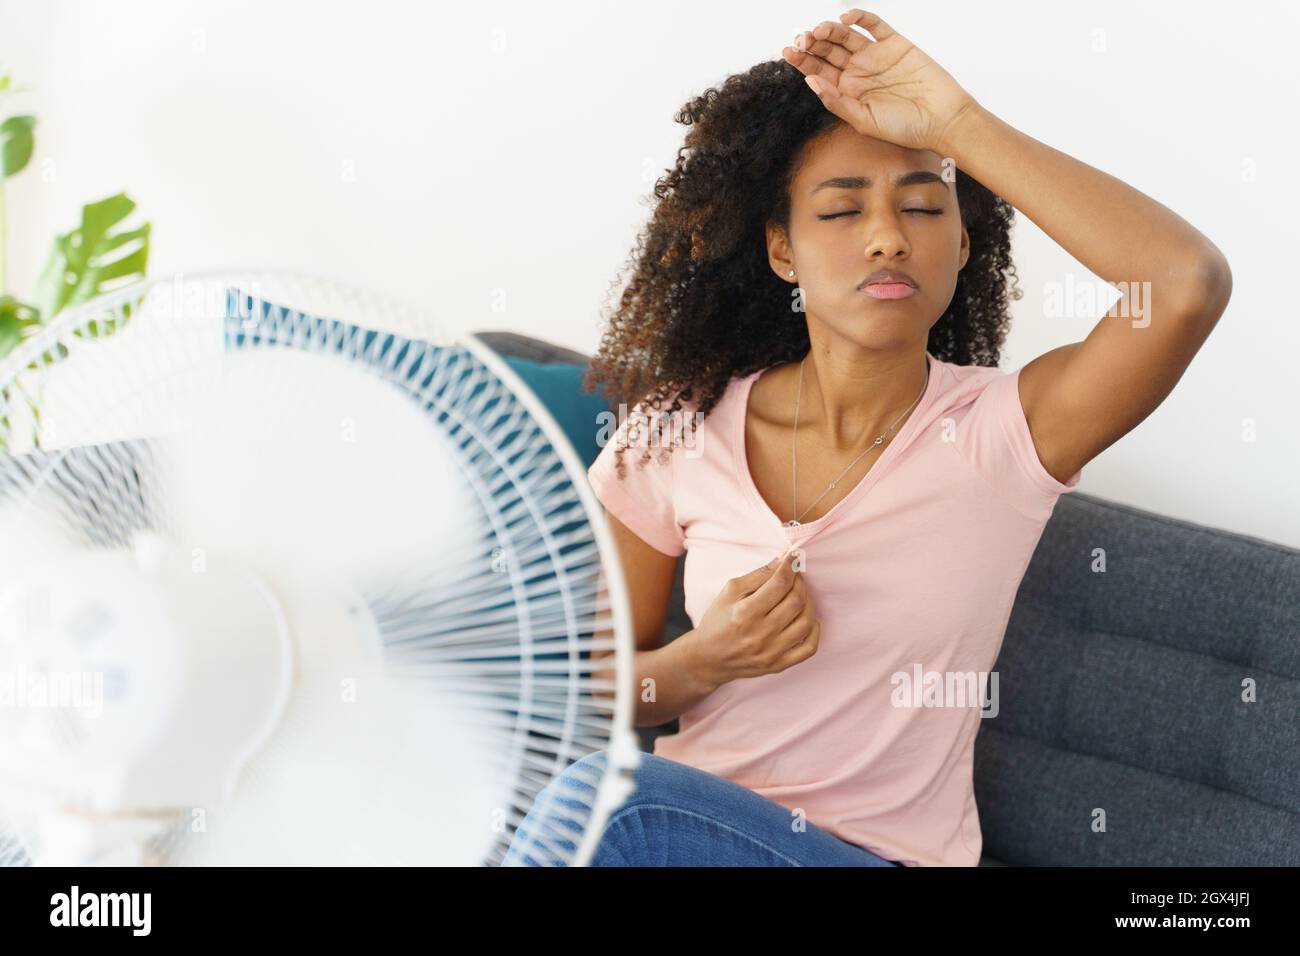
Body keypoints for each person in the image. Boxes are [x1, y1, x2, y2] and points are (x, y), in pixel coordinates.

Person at [508, 8, 1232, 867]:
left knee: (606, 802)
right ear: (782, 251)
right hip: (687, 835)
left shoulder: (1006, 434)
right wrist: (706, 660)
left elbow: (1183, 285)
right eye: (842, 212)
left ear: (963, 244)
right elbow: (603, 687)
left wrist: (954, 125)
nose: (888, 235)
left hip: (875, 858)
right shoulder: (679, 424)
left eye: (924, 208)